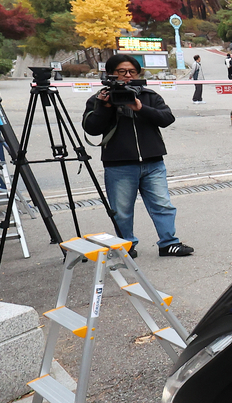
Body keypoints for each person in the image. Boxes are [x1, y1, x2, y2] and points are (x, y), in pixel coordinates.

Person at [82, 55, 195, 258]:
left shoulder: (149, 96)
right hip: (119, 164)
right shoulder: (99, 99)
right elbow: (91, 129)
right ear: (110, 74)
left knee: (163, 205)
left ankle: (168, 243)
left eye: (132, 72)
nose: (127, 76)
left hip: (153, 161)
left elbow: (167, 118)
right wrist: (105, 107)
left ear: (138, 74)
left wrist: (140, 108)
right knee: (122, 209)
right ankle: (126, 246)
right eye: (121, 72)